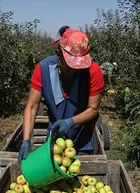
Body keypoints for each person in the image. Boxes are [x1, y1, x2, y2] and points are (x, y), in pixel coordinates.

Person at [17, 27, 105, 162]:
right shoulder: (44, 69)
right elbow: (32, 107)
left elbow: (93, 109)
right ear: (58, 52)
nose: (74, 69)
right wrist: (26, 141)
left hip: (82, 143)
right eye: (70, 63)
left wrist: (70, 122)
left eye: (78, 65)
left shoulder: (93, 71)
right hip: (54, 142)